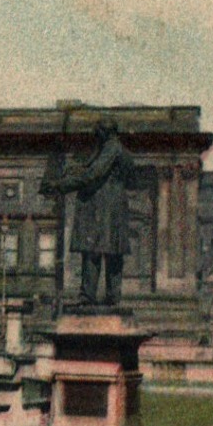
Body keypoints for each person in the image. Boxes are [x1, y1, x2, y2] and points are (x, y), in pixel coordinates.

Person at [45, 119, 136, 307]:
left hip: (102, 207)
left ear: (104, 132)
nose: (95, 137)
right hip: (114, 207)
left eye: (97, 133)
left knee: (93, 251)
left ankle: (88, 297)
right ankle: (111, 297)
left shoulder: (111, 148)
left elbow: (93, 174)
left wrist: (61, 185)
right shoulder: (120, 150)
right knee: (112, 253)